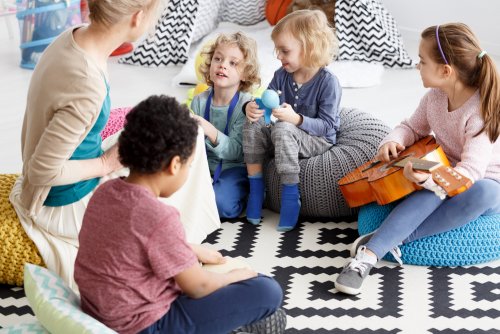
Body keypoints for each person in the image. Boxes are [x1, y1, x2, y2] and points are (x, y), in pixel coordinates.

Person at [9, 0, 219, 291]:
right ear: (137, 17)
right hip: (65, 202)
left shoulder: (73, 37)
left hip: (77, 171)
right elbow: (41, 171)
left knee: (182, 129)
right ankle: (177, 246)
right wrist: (107, 164)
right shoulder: (86, 82)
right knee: (185, 143)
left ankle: (175, 240)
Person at [74, 95, 286, 334]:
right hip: (145, 325)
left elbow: (131, 243)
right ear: (175, 165)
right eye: (189, 165)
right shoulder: (159, 216)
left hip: (98, 311)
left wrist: (189, 249)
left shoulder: (106, 192)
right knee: (267, 290)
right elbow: (199, 286)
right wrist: (236, 276)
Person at [335, 23, 500, 295]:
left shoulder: (480, 112)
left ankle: (382, 242)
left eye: (422, 61)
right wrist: (393, 141)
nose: (417, 66)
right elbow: (412, 127)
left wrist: (432, 178)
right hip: (445, 169)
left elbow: (471, 172)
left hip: (483, 181)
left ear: (445, 71)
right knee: (430, 191)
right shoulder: (434, 98)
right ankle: (365, 259)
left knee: (483, 192)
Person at [243, 9, 341, 231]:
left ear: (309, 48)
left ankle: (290, 195)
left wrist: (296, 119)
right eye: (278, 50)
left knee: (284, 129)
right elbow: (267, 103)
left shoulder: (328, 83)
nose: (278, 56)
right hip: (284, 133)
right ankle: (256, 189)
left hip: (318, 139)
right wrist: (251, 108)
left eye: (284, 51)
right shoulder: (281, 75)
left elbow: (327, 126)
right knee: (252, 124)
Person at [191, 32, 261, 219]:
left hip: (233, 168)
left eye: (233, 63)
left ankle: (243, 194)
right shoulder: (199, 101)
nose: (222, 65)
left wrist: (211, 131)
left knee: (220, 206)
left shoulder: (246, 106)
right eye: (218, 59)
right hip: (202, 166)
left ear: (246, 73)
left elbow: (237, 151)